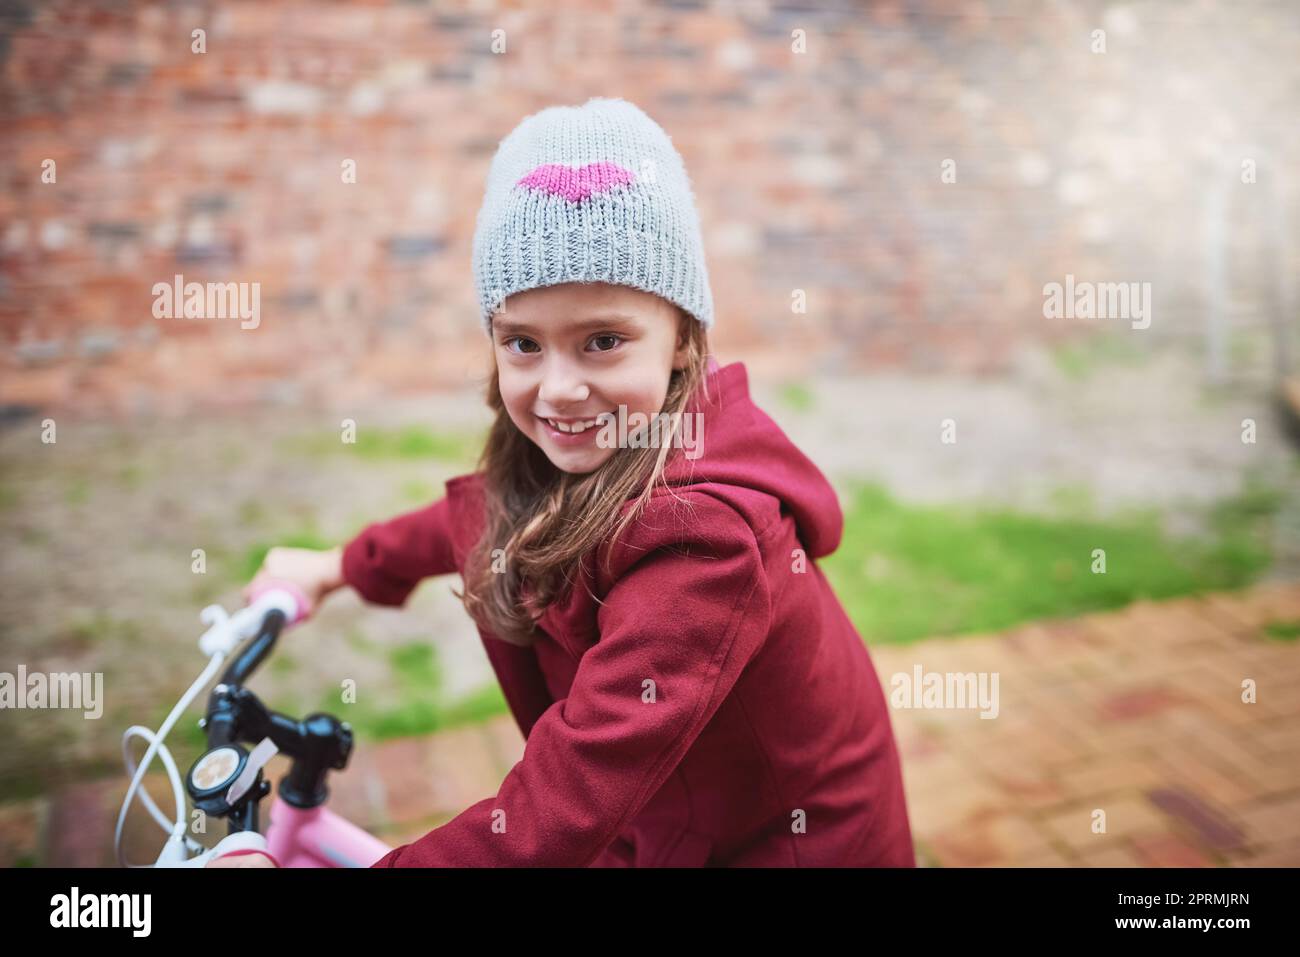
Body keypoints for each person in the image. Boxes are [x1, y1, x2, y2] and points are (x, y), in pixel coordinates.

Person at [228, 97, 915, 868]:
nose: (557, 388)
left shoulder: (707, 540)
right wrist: (342, 565)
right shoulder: (591, 443)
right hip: (671, 814)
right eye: (522, 342)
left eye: (602, 341)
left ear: (683, 339)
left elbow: (565, 797)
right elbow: (490, 513)